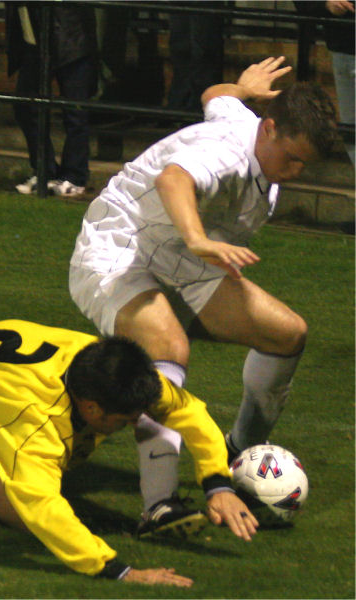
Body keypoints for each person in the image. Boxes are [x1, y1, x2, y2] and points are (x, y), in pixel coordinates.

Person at [69, 57, 337, 535]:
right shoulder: (229, 154)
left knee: (287, 334)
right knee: (169, 349)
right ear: (271, 129)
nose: (295, 171)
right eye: (292, 157)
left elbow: (215, 97)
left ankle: (237, 458)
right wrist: (197, 238)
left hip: (186, 258)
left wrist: (242, 88)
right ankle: (159, 507)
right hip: (119, 251)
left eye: (305, 164)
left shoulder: (247, 122)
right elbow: (174, 178)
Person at [0, 319, 258, 587]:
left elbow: (186, 410)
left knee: (70, 448)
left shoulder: (110, 367)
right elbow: (42, 507)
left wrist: (218, 484)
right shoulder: (37, 424)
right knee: (27, 515)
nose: (135, 423)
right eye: (127, 419)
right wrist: (118, 570)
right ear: (92, 407)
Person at [4, 2, 98, 197]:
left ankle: (74, 176)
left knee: (75, 111)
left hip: (69, 36)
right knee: (25, 106)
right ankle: (44, 171)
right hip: (38, 38)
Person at [294, 0, 355, 164]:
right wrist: (325, 4)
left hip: (343, 45)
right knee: (351, 129)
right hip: (343, 47)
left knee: (351, 128)